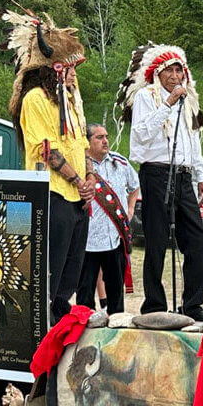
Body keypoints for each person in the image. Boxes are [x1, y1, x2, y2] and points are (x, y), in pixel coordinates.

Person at [0, 8, 94, 325]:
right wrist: (78, 180)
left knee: (71, 272)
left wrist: (89, 178)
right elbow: (45, 150)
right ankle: (40, 332)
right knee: (48, 274)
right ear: (53, 69)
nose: (73, 75)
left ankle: (61, 325)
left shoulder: (70, 100)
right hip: (52, 195)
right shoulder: (36, 99)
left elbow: (81, 144)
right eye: (69, 68)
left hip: (78, 197)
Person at [118, 44, 203, 321]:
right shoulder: (147, 96)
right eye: (169, 71)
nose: (175, 76)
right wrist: (168, 103)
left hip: (183, 174)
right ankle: (154, 305)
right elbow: (142, 135)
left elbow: (192, 140)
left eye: (178, 70)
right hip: (156, 173)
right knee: (157, 240)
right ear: (158, 74)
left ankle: (193, 304)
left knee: (196, 238)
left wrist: (201, 175)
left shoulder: (188, 100)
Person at [75, 123, 139, 315]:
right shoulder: (78, 165)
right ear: (87, 142)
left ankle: (116, 326)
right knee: (85, 292)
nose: (105, 141)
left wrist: (130, 208)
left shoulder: (120, 162)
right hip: (88, 238)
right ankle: (84, 329)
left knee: (115, 291)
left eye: (106, 136)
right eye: (99, 137)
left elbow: (134, 186)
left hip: (114, 236)